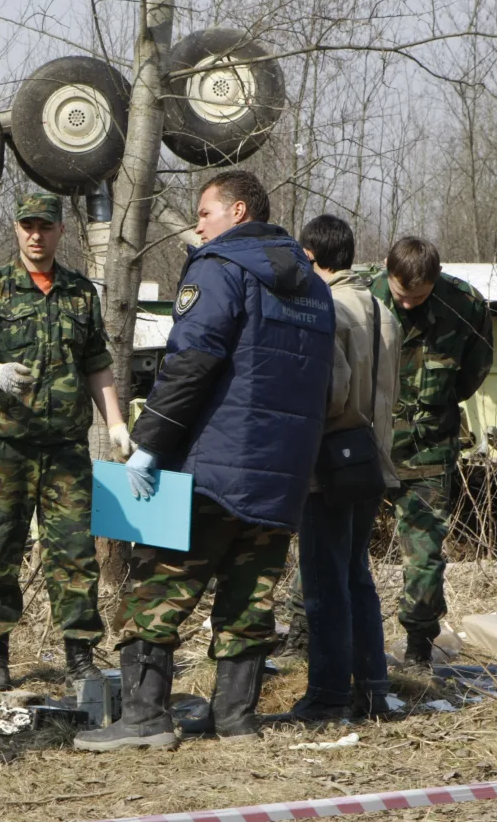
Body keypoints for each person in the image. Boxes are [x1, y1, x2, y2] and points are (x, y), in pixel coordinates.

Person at [74, 170, 334, 753]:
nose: (198, 225)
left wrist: (150, 442)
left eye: (205, 213)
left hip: (213, 468)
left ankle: (145, 717)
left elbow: (192, 362)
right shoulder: (314, 288)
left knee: (159, 589)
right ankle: (236, 718)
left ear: (238, 211)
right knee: (250, 594)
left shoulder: (221, 269)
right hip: (283, 474)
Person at [0, 192, 132, 690]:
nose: (36, 235)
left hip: (65, 449)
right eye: (27, 226)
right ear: (16, 229)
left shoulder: (81, 293)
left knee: (75, 553)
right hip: (6, 447)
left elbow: (97, 363)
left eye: (46, 227)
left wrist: (117, 424)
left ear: (61, 232)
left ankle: (79, 654)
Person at [283, 215, 402, 723]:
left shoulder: (325, 308)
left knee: (324, 583)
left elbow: (331, 394)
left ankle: (328, 694)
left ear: (311, 256)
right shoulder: (383, 309)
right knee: (357, 576)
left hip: (330, 465)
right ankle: (373, 687)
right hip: (373, 463)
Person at [370, 236, 493, 671]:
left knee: (424, 555)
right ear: (387, 270)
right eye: (401, 295)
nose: (407, 305)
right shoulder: (362, 295)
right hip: (365, 446)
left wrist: (431, 409)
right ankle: (305, 635)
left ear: (436, 281)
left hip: (428, 449)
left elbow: (474, 371)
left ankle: (419, 646)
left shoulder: (465, 304)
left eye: (418, 298)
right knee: (333, 541)